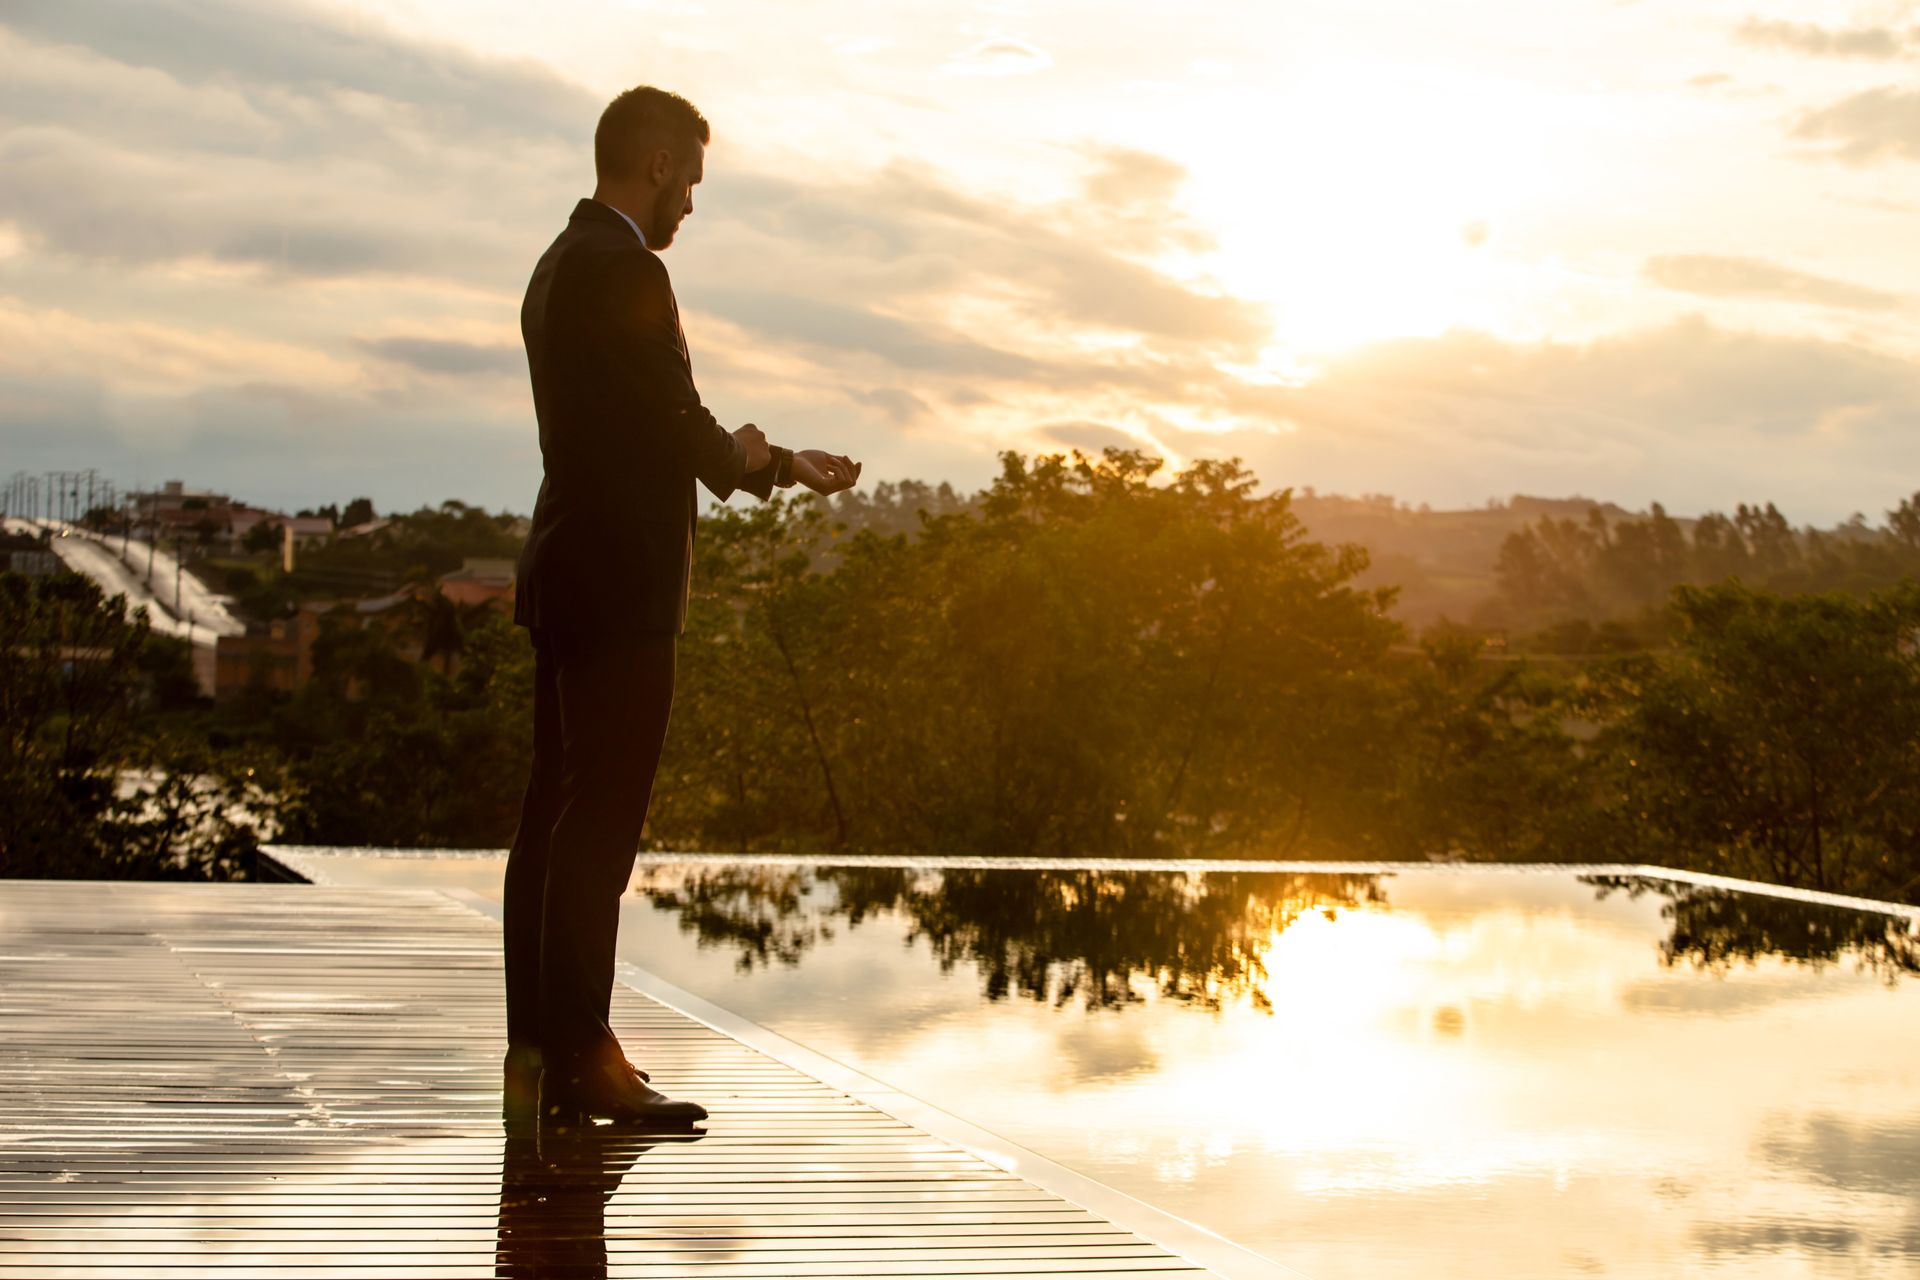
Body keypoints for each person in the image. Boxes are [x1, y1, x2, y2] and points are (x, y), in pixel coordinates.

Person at [503, 85, 861, 1126]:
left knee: (550, 826)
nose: (690, 207)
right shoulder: (627, 269)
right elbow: (677, 423)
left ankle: (541, 1048)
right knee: (597, 832)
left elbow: (641, 421)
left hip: (565, 569)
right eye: (691, 182)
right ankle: (583, 1058)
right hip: (619, 587)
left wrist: (766, 455)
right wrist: (762, 460)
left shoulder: (555, 265)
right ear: (656, 163)